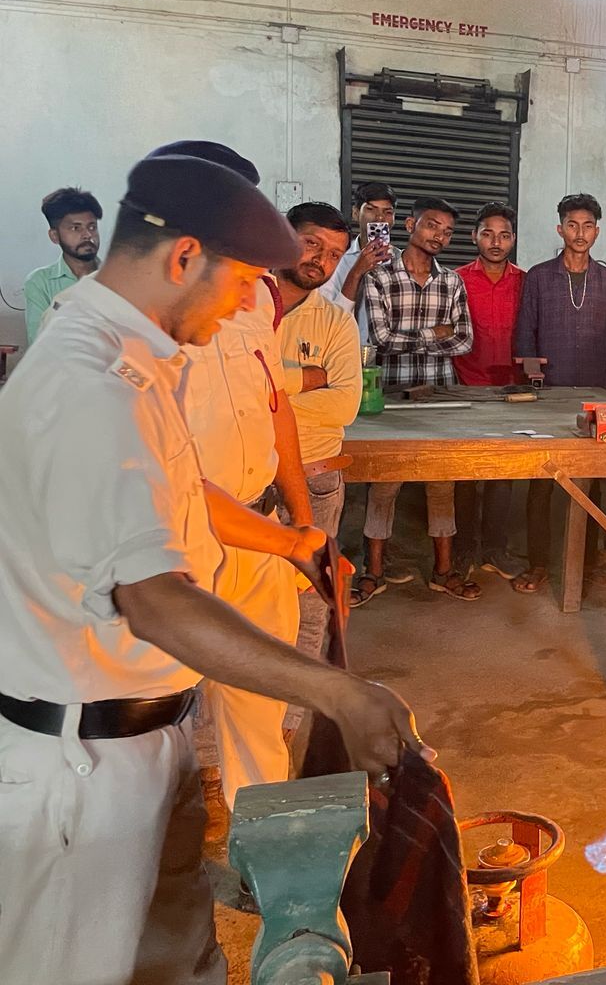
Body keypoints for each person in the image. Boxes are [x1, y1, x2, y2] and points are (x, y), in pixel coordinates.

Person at [0, 152, 423, 984]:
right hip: (81, 770)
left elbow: (182, 491)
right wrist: (337, 691)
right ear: (184, 256)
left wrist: (292, 538)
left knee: (178, 959)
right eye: (237, 282)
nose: (244, 304)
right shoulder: (91, 384)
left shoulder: (134, 354)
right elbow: (155, 600)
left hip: (142, 741)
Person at [143, 141, 316, 818]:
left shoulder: (255, 298)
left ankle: (263, 848)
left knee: (259, 710)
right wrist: (290, 544)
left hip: (260, 530)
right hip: (175, 549)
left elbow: (276, 409)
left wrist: (302, 522)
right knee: (157, 714)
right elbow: (172, 478)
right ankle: (159, 850)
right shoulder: (134, 316)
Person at [359, 196, 475, 603]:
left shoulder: (452, 282)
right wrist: (435, 334)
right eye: (431, 225)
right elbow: (380, 339)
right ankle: (373, 572)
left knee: (442, 484)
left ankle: (443, 571)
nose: (439, 236)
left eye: (447, 232)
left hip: (439, 393)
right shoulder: (379, 277)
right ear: (410, 225)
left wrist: (415, 338)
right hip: (391, 393)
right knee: (384, 485)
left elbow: (464, 340)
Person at [515, 193, 606, 591]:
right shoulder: (538, 276)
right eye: (572, 225)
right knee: (542, 480)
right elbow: (525, 333)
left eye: (588, 226)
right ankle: (538, 562)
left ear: (597, 231)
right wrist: (534, 386)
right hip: (548, 393)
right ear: (560, 229)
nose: (580, 233)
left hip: (597, 395)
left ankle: (589, 562)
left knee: (591, 481)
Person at [275, 201, 362, 678]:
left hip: (315, 478)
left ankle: (291, 715)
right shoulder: (244, 305)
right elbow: (219, 392)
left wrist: (267, 393)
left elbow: (344, 405)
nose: (320, 261)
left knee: (310, 604)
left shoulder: (335, 322)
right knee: (239, 602)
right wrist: (305, 377)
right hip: (243, 481)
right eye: (312, 244)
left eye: (333, 255)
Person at [452, 203, 529, 587]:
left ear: (513, 239)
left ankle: (495, 550)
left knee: (504, 473)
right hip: (466, 386)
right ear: (474, 236)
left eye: (504, 235)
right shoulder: (456, 280)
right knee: (465, 472)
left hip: (511, 391)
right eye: (488, 233)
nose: (496, 242)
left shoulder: (526, 282)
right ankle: (464, 549)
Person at [322, 182, 397, 344]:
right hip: (347, 347)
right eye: (371, 209)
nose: (379, 218)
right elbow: (329, 314)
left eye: (387, 212)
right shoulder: (338, 258)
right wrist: (358, 270)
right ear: (356, 213)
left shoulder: (402, 261)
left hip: (392, 353)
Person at [24, 187, 102, 343]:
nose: (88, 235)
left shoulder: (116, 277)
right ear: (54, 236)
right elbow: (39, 344)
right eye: (76, 228)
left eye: (92, 227)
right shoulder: (40, 282)